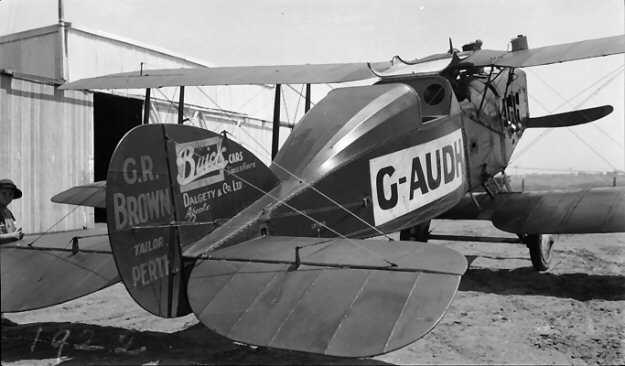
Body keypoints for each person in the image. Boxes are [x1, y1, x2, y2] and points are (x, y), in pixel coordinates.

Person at [0, 178, 24, 244]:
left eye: (10, 194)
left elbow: (12, 230)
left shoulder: (8, 213)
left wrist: (17, 233)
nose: (7, 197)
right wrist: (12, 235)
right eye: (4, 193)